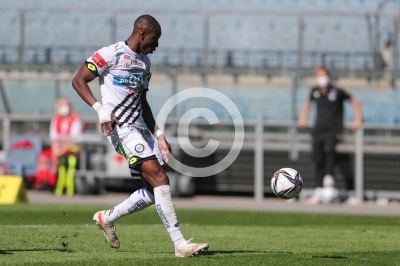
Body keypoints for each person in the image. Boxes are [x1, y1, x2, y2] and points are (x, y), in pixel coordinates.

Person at [71, 14, 208, 257]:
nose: (155, 47)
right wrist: (100, 110)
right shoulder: (111, 54)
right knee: (160, 178)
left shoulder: (144, 63)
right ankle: (180, 244)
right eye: (154, 40)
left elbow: (142, 102)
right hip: (122, 130)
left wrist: (158, 134)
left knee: (153, 190)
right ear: (142, 34)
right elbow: (79, 80)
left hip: (141, 130)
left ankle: (106, 217)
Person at [297, 67, 362, 203]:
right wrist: (303, 117)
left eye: (324, 75)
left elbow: (355, 101)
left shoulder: (337, 92)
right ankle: (318, 189)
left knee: (330, 153)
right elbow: (308, 103)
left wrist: (357, 119)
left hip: (333, 130)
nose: (322, 78)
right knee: (317, 158)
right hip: (318, 130)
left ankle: (329, 182)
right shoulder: (314, 91)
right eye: (319, 76)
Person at [51, 98, 83, 196]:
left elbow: (74, 138)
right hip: (61, 151)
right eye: (62, 105)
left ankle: (70, 190)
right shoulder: (56, 119)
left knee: (70, 167)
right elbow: (54, 137)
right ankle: (59, 189)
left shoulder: (76, 118)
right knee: (61, 168)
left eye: (66, 105)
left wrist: (62, 150)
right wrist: (56, 151)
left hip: (72, 150)